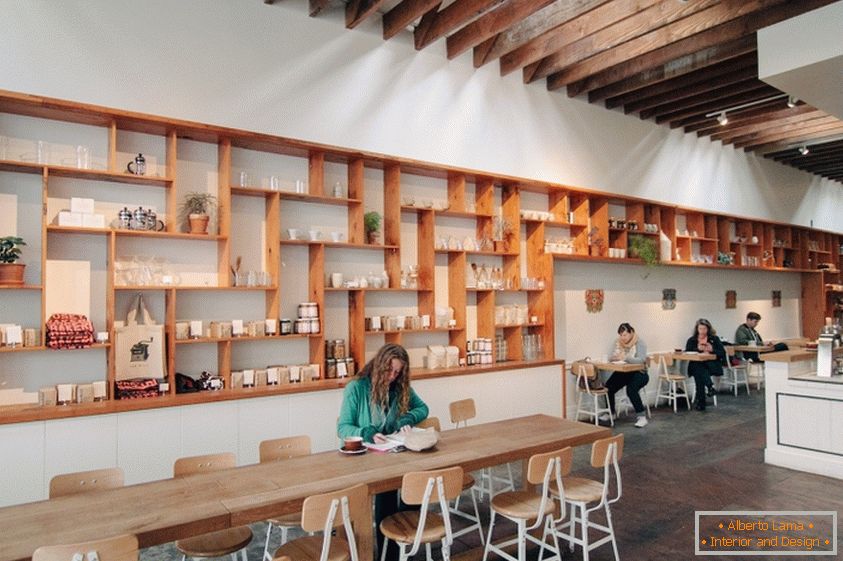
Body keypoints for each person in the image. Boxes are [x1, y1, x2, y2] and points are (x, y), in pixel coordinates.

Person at [336, 343, 428, 561]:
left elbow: (423, 408)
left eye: (398, 372)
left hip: (393, 453)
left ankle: (405, 545)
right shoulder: (356, 388)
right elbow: (343, 428)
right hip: (367, 459)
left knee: (412, 488)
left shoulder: (399, 387)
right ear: (379, 366)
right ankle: (390, 553)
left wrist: (407, 418)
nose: (393, 376)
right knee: (386, 493)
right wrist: (366, 432)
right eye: (389, 370)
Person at [601, 323, 650, 428]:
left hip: (640, 373)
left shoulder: (640, 343)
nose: (623, 338)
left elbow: (641, 360)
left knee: (631, 390)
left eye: (625, 335)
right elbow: (615, 355)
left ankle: (642, 417)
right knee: (608, 387)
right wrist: (614, 358)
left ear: (631, 332)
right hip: (625, 372)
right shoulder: (619, 343)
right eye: (621, 335)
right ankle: (611, 413)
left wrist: (625, 357)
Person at [684, 318, 727, 411]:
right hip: (697, 365)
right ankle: (710, 387)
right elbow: (688, 351)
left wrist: (712, 350)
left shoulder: (714, 339)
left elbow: (722, 353)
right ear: (697, 329)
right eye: (700, 329)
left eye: (704, 329)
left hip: (711, 365)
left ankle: (701, 402)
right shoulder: (692, 340)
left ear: (708, 329)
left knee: (699, 372)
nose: (702, 331)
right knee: (698, 369)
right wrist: (698, 349)